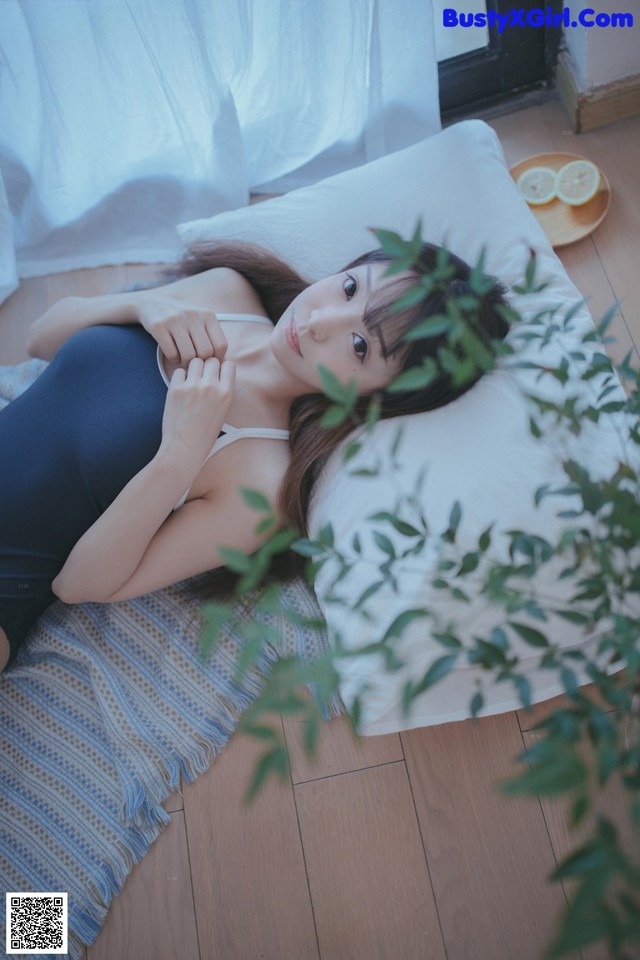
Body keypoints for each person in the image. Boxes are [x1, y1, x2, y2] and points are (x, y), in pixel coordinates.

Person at [0, 241, 510, 672]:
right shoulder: (224, 290)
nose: (319, 323)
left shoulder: (261, 483)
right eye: (350, 288)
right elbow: (38, 338)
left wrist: (180, 454)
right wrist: (144, 307)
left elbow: (78, 585)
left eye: (359, 346)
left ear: (384, 393)